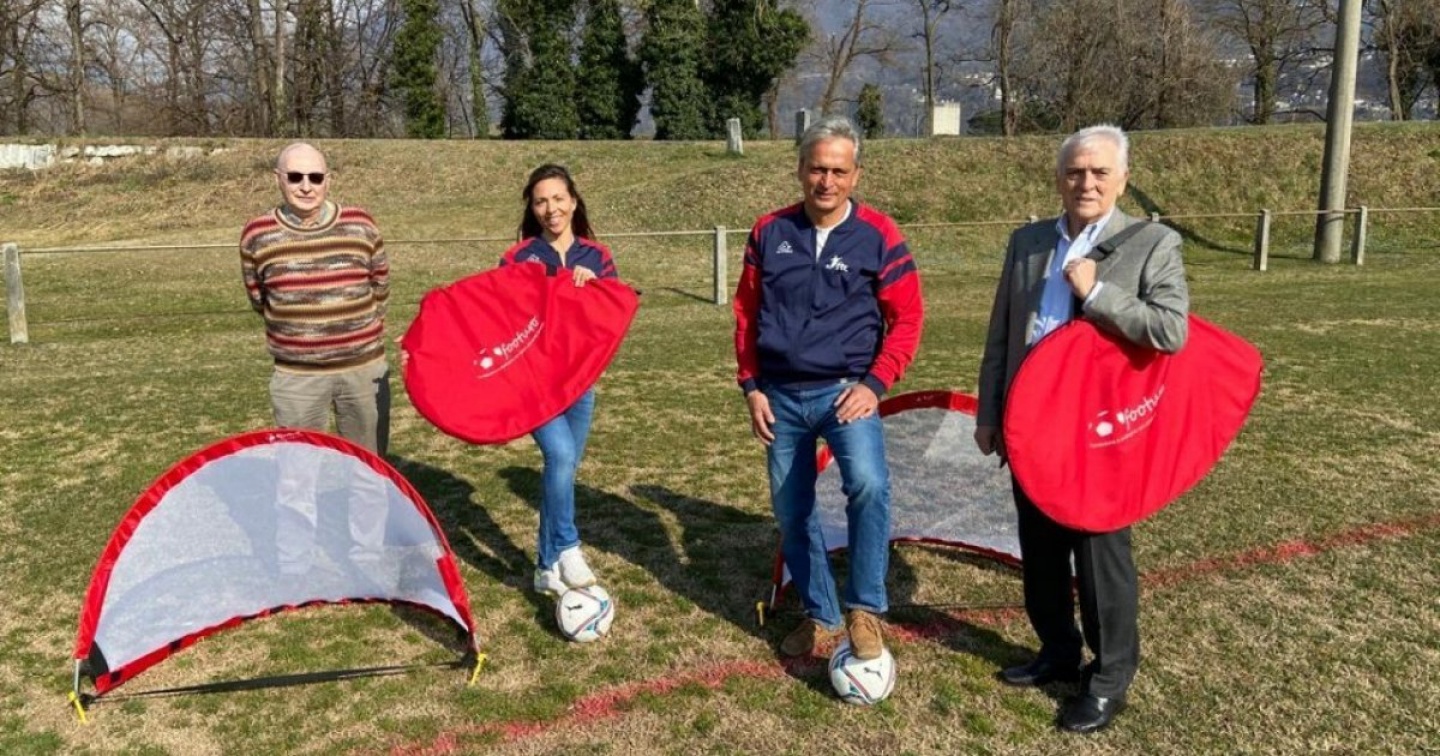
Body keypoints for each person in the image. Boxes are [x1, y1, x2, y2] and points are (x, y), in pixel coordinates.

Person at [974, 124, 1189, 734]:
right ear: (1059, 178)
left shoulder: (1153, 243)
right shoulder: (1027, 242)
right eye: (1074, 172)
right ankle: (1058, 651)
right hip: (1031, 427)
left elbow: (1170, 330)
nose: (1086, 183)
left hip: (1100, 432)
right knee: (1040, 551)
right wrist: (990, 412)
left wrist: (1097, 294)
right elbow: (1001, 333)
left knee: (1100, 559)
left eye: (1099, 172)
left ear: (1122, 179)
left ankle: (1110, 677)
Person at [733, 115, 924, 662]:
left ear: (855, 175)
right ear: (800, 170)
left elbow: (908, 318)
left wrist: (875, 383)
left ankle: (865, 608)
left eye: (839, 171)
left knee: (868, 486)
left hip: (847, 392)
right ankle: (820, 614)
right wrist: (752, 386)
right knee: (792, 510)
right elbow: (746, 312)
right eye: (818, 169)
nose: (827, 181)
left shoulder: (879, 235)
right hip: (780, 395)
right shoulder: (769, 231)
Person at [240, 142, 391, 574]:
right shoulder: (256, 235)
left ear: (328, 179)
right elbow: (259, 297)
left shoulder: (361, 224)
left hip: (363, 372)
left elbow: (380, 286)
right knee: (295, 476)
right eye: (295, 177)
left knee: (369, 470)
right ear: (278, 179)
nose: (306, 186)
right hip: (297, 379)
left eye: (315, 177)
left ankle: (367, 557)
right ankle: (295, 564)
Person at [498, 164, 619, 598]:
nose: (550, 209)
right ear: (532, 208)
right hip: (534, 385)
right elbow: (494, 316)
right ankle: (567, 546)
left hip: (580, 384)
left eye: (557, 198)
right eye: (540, 201)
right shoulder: (518, 258)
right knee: (562, 456)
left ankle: (544, 566)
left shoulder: (597, 256)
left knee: (562, 470)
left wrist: (596, 289)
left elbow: (614, 314)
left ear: (573, 201)